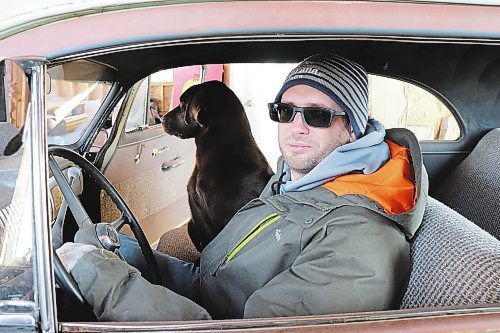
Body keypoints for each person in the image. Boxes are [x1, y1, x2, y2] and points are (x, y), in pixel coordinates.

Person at [57, 54, 428, 321]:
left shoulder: (360, 242)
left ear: (354, 128)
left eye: (318, 115)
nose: (296, 127)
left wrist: (100, 276)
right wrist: (114, 255)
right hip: (207, 293)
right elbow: (214, 277)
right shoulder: (298, 181)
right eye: (285, 111)